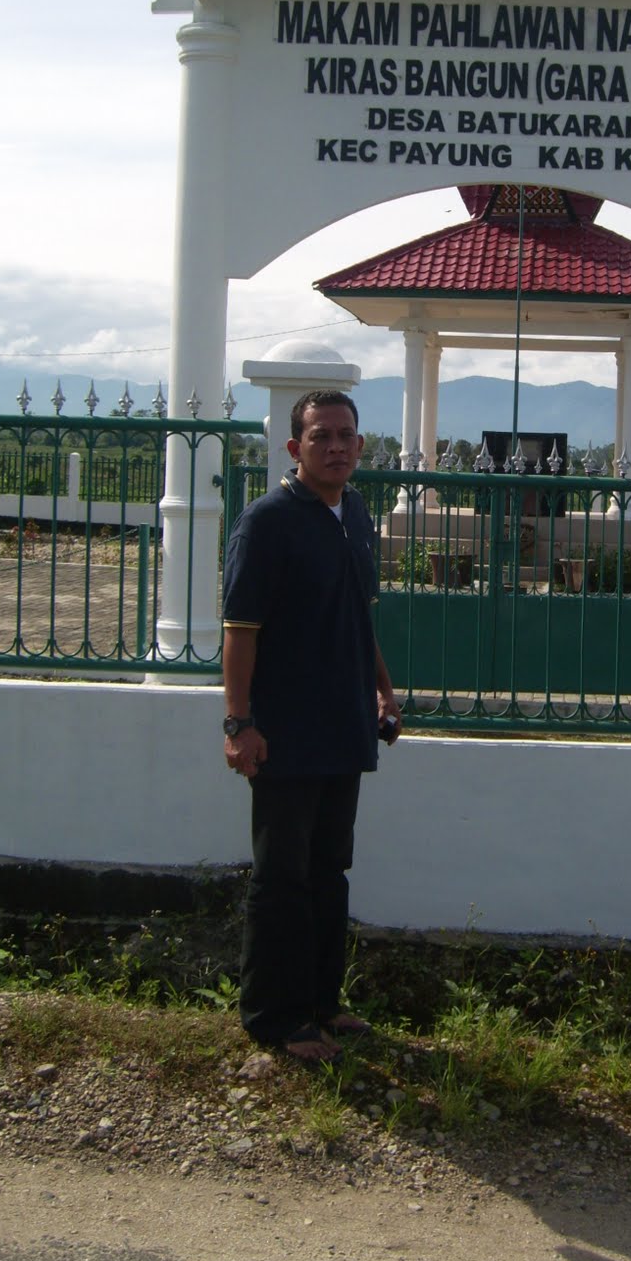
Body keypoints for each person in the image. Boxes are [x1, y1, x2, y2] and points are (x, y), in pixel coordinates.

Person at [221, 389, 400, 1063]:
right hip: (286, 732)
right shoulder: (266, 524)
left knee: (330, 869)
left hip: (345, 725)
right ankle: (276, 1017)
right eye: (321, 435)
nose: (335, 446)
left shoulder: (354, 513)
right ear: (295, 449)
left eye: (346, 435)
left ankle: (322, 1005)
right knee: (282, 875)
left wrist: (383, 691)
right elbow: (241, 633)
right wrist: (239, 723)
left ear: (360, 444)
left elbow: (358, 617)